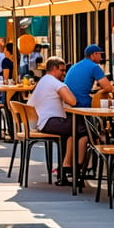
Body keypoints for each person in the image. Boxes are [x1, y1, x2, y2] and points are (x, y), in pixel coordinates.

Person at [27, 56, 86, 187]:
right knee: (84, 130)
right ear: (54, 69)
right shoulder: (55, 83)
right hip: (49, 122)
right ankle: (75, 168)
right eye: (62, 70)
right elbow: (73, 101)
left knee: (71, 132)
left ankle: (67, 168)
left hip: (41, 122)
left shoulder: (43, 81)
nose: (64, 73)